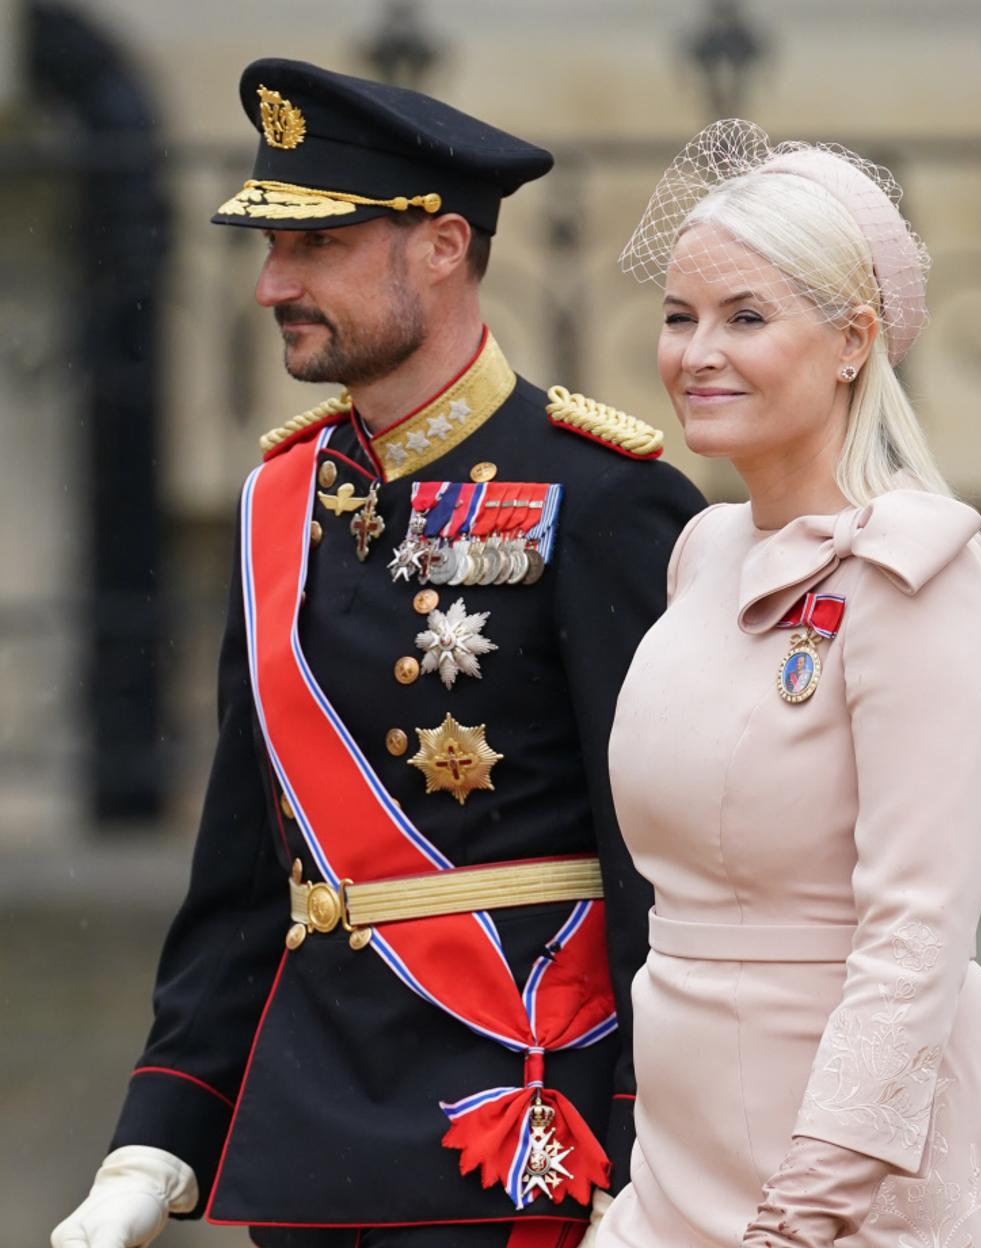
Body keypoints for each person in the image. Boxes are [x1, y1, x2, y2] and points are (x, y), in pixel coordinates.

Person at [50, 60, 703, 1248]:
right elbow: (249, 864)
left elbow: (665, 867)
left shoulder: (601, 495)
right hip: (310, 1126)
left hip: (520, 1112)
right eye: (270, 247)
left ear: (443, 246)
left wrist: (655, 1149)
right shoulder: (275, 506)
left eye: (318, 247)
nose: (271, 287)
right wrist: (157, 1136)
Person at [598, 121, 981, 1246]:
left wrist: (802, 1217)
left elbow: (916, 942)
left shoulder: (920, 578)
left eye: (746, 317)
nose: (699, 351)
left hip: (849, 1189)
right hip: (675, 1171)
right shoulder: (702, 553)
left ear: (852, 341)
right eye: (679, 316)